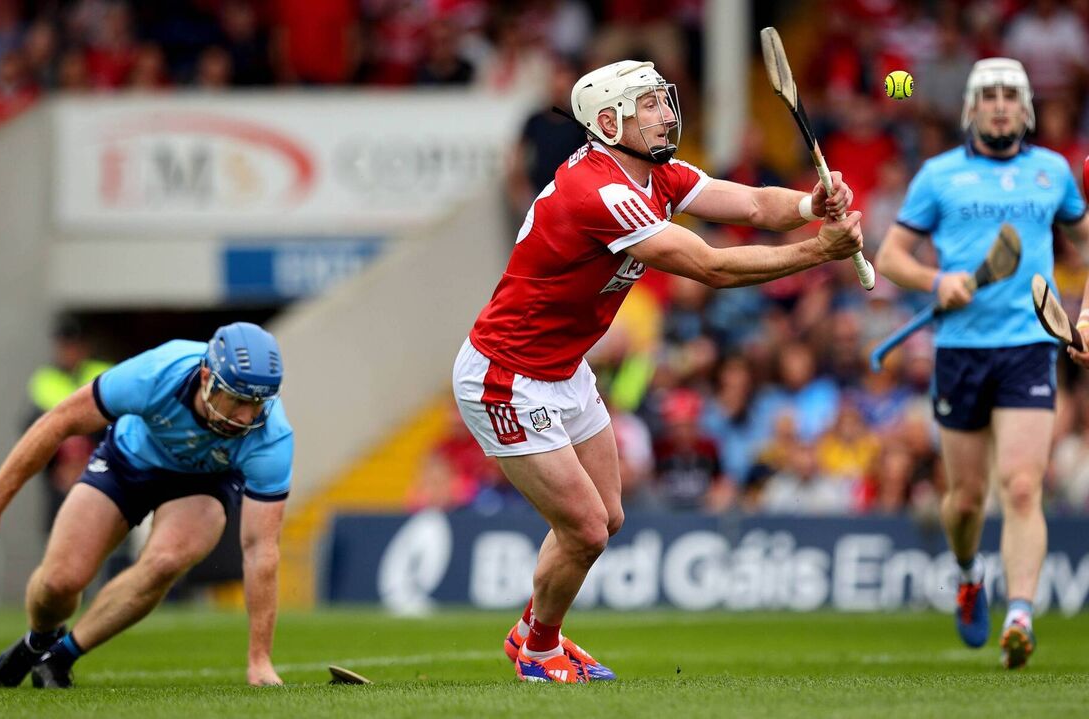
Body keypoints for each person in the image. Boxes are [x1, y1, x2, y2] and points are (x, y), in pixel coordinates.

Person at [452, 59, 863, 683]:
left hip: (563, 369)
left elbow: (754, 203)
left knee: (608, 516)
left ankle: (532, 632)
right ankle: (537, 651)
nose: (667, 114)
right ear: (608, 122)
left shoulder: (654, 173)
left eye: (663, 100)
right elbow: (711, 267)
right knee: (586, 528)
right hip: (505, 375)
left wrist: (811, 203)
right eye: (649, 105)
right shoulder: (601, 193)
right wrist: (819, 251)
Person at [876, 58, 1089, 670]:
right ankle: (969, 575)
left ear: (1026, 109)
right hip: (960, 351)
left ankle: (1019, 617)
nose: (999, 105)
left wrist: (1085, 319)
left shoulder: (1053, 173)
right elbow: (890, 257)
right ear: (971, 108)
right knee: (966, 501)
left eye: (1010, 95)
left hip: (1029, 346)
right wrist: (935, 280)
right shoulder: (938, 175)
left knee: (1021, 487)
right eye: (988, 95)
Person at [0, 322, 294, 688]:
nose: (246, 417)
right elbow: (59, 422)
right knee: (59, 583)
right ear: (207, 378)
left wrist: (260, 660)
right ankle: (39, 641)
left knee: (166, 560)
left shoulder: (271, 437)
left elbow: (260, 549)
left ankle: (61, 657)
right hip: (128, 460)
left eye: (257, 403)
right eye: (237, 399)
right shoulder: (158, 372)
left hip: (205, 482)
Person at [25, 317, 112, 530]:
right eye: (64, 345)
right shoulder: (44, 379)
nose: (69, 351)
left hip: (101, 470)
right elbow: (31, 429)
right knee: (60, 530)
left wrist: (89, 459)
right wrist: (57, 466)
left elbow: (119, 424)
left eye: (74, 345)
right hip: (60, 476)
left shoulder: (104, 372)